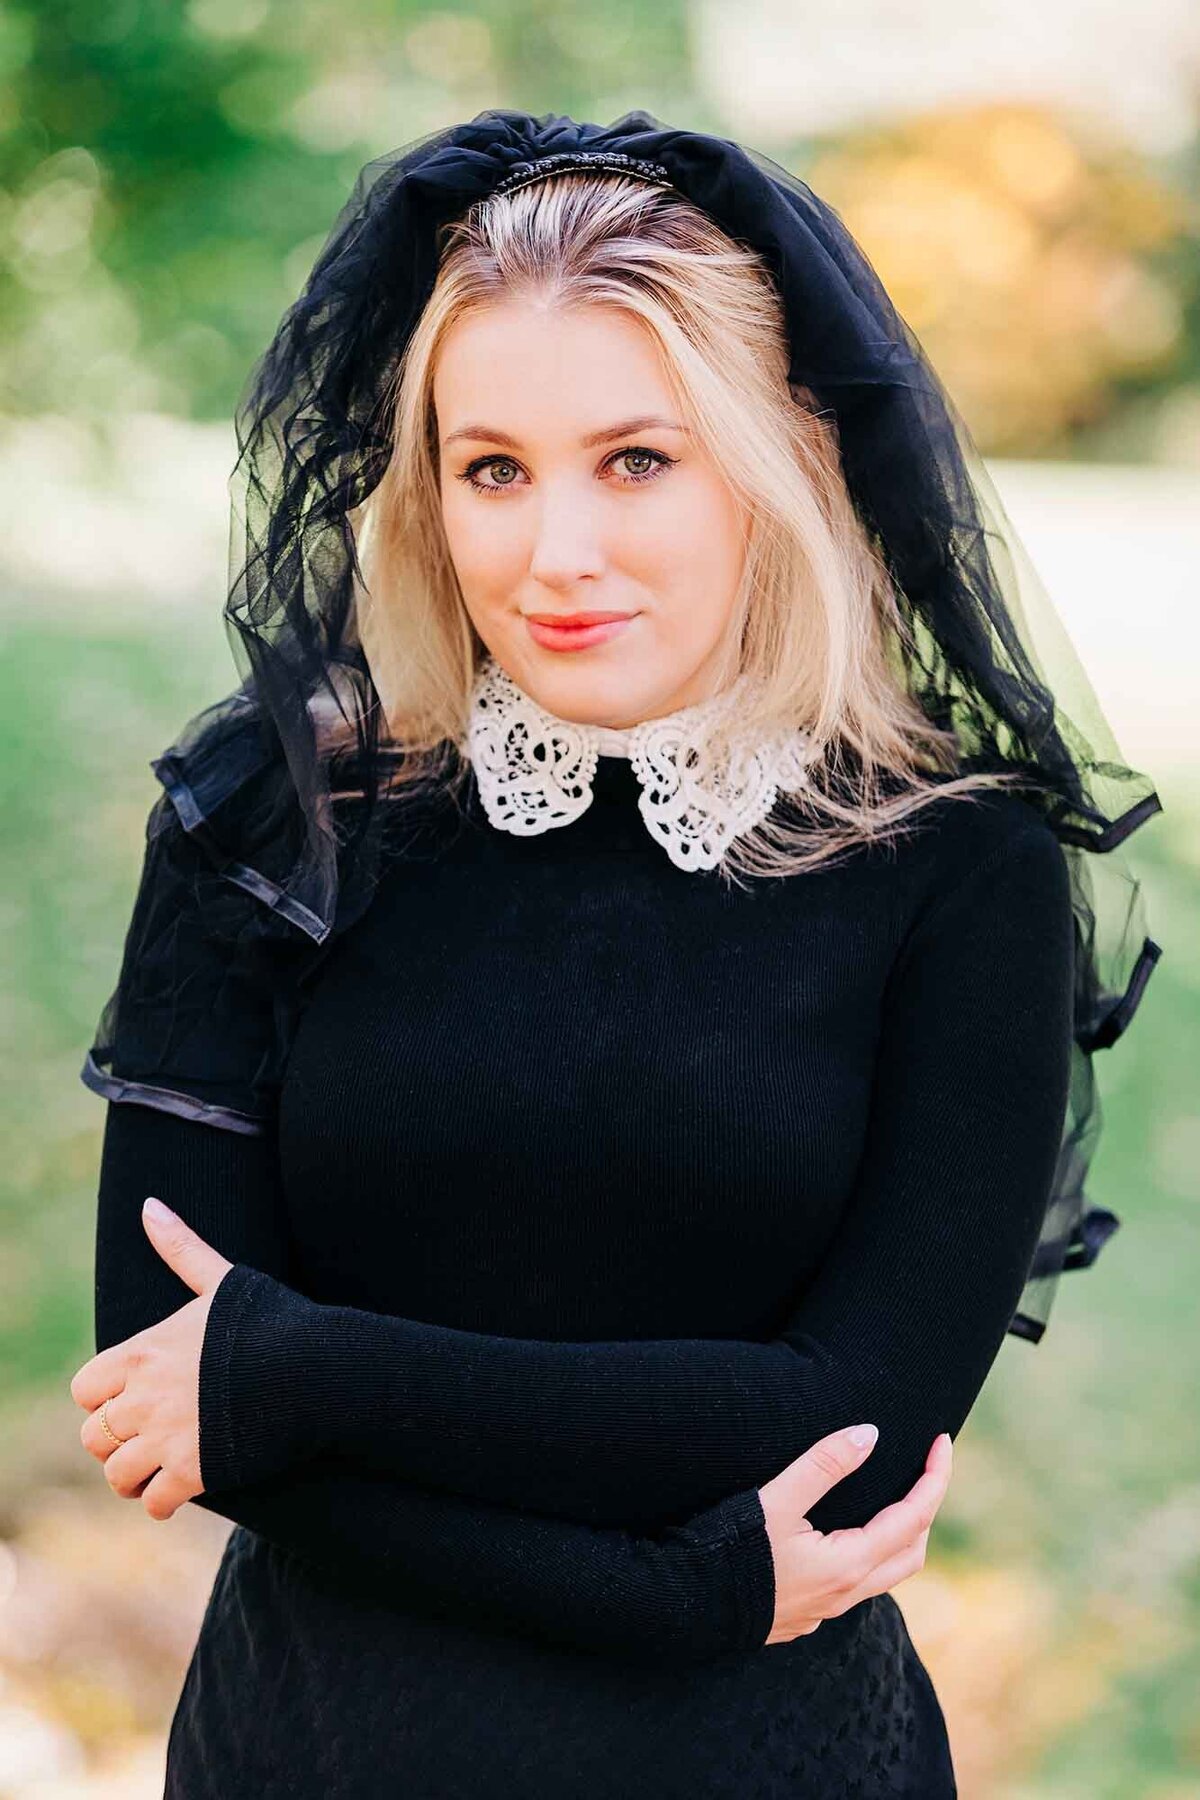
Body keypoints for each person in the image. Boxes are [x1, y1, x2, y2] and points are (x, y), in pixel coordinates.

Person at [68, 110, 1163, 1797]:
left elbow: (854, 1422)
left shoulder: (957, 864)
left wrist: (307, 1361)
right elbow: (170, 1400)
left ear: (779, 459)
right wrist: (679, 1587)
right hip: (322, 1751)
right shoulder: (274, 819)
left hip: (765, 1758)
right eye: (492, 466)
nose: (553, 552)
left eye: (637, 460)